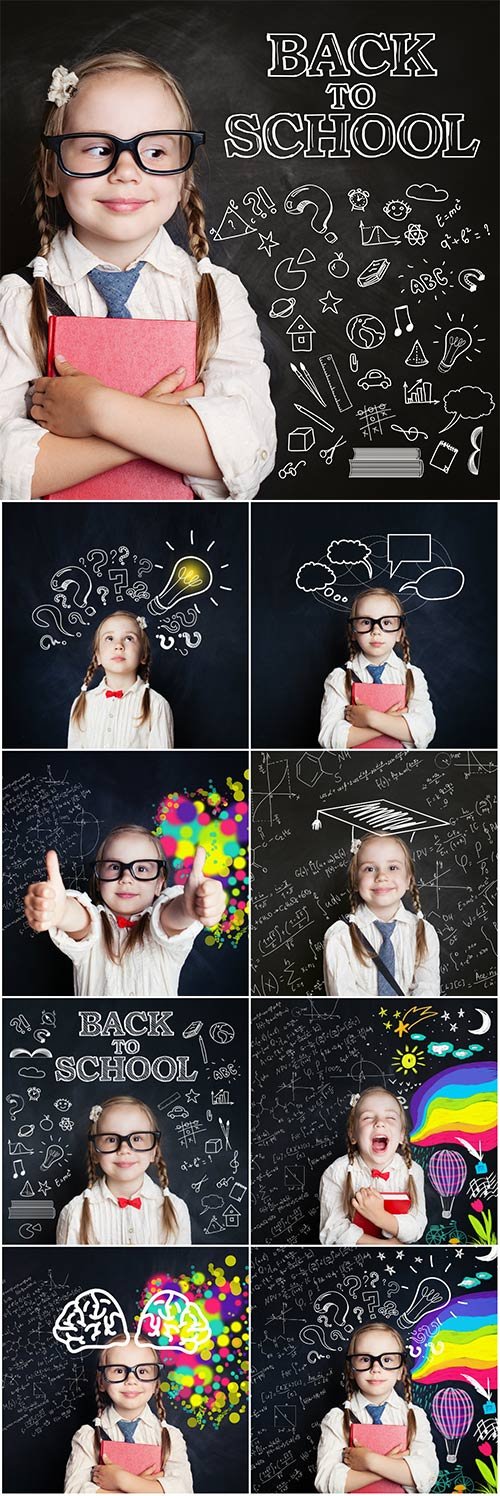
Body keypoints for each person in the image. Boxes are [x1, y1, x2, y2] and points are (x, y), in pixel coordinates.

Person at [0, 51, 276, 500]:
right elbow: (10, 474)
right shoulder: (15, 303)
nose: (126, 171)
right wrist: (162, 422)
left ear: (184, 176)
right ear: (52, 171)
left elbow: (245, 453)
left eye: (155, 150)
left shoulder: (216, 295)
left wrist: (97, 409)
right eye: (97, 148)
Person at [23, 825, 226, 996]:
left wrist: (187, 908)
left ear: (159, 884)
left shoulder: (164, 925)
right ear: (98, 878)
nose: (126, 878)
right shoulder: (91, 927)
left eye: (142, 869)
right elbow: (81, 922)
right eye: (113, 866)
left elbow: (171, 919)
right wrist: (62, 912)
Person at [315, 1322, 439, 1494]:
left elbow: (426, 1476)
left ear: (401, 1371)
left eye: (387, 1360)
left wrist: (369, 1461)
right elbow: (328, 1483)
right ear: (351, 1370)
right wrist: (390, 1465)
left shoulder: (414, 1417)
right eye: (365, 1359)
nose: (375, 1368)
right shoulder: (336, 1419)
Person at [64, 1334, 193, 1493]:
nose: (131, 1380)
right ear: (102, 1381)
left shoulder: (170, 1438)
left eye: (143, 1371)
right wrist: (147, 1487)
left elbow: (182, 1491)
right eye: (119, 1370)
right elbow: (74, 1492)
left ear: (155, 1382)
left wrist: (121, 1480)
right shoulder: (88, 1438)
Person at [56, 1095, 190, 1245]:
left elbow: (179, 1267)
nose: (124, 1149)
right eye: (111, 1140)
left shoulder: (177, 1210)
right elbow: (67, 1268)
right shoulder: (75, 1213)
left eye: (137, 1138)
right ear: (94, 1152)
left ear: (154, 1151)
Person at [323, 834, 440, 996]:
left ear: (408, 879)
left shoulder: (424, 932)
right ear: (355, 881)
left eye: (392, 868)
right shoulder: (340, 937)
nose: (382, 877)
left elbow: (427, 992)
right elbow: (346, 1003)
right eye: (369, 869)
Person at [318, 589, 435, 750]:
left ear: (399, 633)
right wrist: (390, 722)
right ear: (353, 631)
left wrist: (370, 718)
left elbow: (423, 732)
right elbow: (331, 739)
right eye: (366, 622)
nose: (376, 631)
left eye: (387, 623)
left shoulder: (412, 676)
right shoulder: (339, 678)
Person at [319, 1087, 426, 1245]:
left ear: (402, 1135)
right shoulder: (336, 1172)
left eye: (390, 1117)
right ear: (353, 1135)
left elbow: (416, 1227)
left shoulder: (412, 1171)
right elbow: (332, 1232)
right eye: (368, 1118)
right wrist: (385, 1246)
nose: (380, 1123)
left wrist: (379, 1216)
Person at [68, 612, 174, 750]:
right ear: (98, 656)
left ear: (143, 655)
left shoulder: (157, 705)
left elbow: (160, 761)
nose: (118, 645)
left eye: (129, 638)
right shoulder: (82, 703)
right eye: (109, 638)